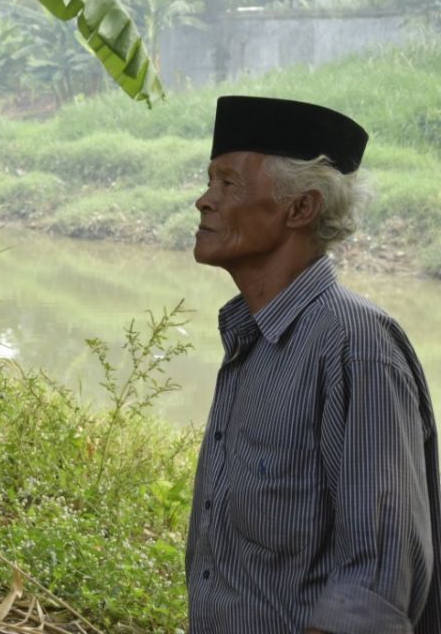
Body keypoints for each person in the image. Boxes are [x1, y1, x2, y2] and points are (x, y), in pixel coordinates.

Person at [185, 95, 441, 633]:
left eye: (229, 184)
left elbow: (376, 583)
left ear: (300, 209)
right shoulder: (250, 337)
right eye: (210, 181)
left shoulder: (357, 348)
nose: (203, 201)